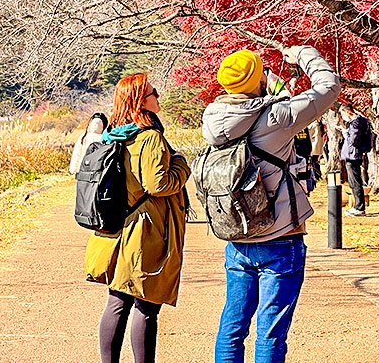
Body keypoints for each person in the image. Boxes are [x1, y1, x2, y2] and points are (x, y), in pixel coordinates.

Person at [202, 46, 340, 363]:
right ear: (258, 79)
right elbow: (328, 87)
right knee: (270, 333)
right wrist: (304, 54)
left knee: (232, 328)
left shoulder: (214, 118)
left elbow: (254, 100)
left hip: (237, 236)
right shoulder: (277, 117)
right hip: (280, 237)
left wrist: (265, 84)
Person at [83, 73, 191, 363]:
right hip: (145, 230)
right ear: (142, 100)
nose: (159, 97)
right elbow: (158, 185)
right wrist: (181, 165)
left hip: (117, 225)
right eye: (154, 92)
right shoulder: (150, 137)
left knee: (118, 299)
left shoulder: (115, 133)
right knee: (146, 304)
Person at [339, 104, 371, 217]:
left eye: (343, 114)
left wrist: (344, 132)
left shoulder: (356, 123)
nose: (343, 117)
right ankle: (358, 205)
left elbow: (353, 140)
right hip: (355, 154)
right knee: (354, 180)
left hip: (352, 155)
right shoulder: (362, 121)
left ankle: (359, 207)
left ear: (348, 112)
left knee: (355, 181)